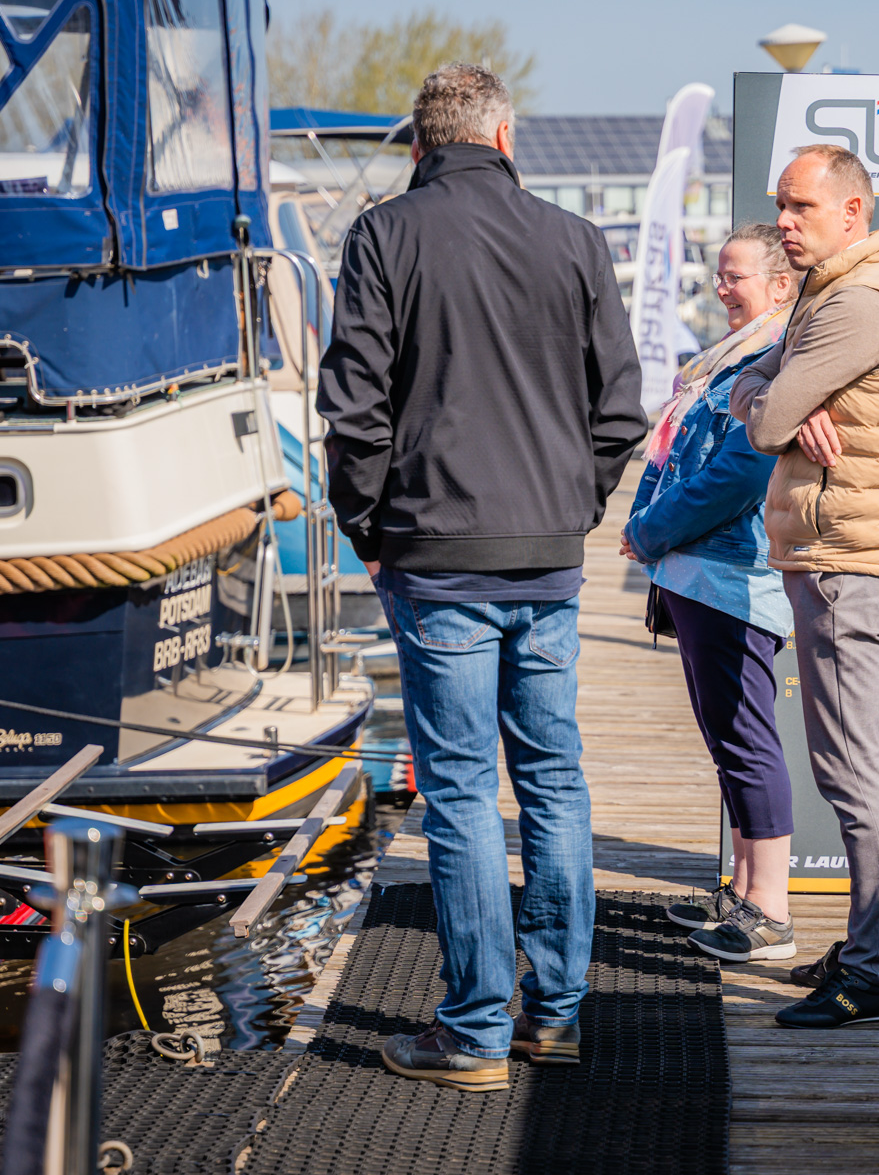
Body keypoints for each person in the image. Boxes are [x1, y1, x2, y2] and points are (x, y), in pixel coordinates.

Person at [316, 64, 646, 1091]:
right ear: (506, 138)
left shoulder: (385, 234)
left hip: (437, 554)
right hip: (546, 559)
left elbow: (355, 405)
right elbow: (620, 407)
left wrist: (365, 525)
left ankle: (472, 1031)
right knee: (555, 779)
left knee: (459, 791)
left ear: (423, 144)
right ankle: (554, 1013)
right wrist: (572, 506)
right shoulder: (576, 237)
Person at [730, 145, 879, 1030]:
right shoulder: (831, 294)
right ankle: (863, 950)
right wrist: (772, 391)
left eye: (802, 207)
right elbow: (747, 388)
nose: (785, 221)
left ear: (853, 211)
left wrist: (775, 396)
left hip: (849, 559)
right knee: (851, 761)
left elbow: (762, 412)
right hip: (832, 553)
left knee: (855, 766)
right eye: (780, 205)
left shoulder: (855, 304)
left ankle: (873, 975)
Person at [620, 223, 799, 963]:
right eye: (718, 275)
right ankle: (745, 892)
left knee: (747, 740)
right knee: (729, 739)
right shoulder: (734, 359)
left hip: (734, 580)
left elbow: (739, 475)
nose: (722, 288)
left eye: (737, 277)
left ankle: (772, 913)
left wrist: (652, 531)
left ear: (781, 286)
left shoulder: (774, 360)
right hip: (704, 578)